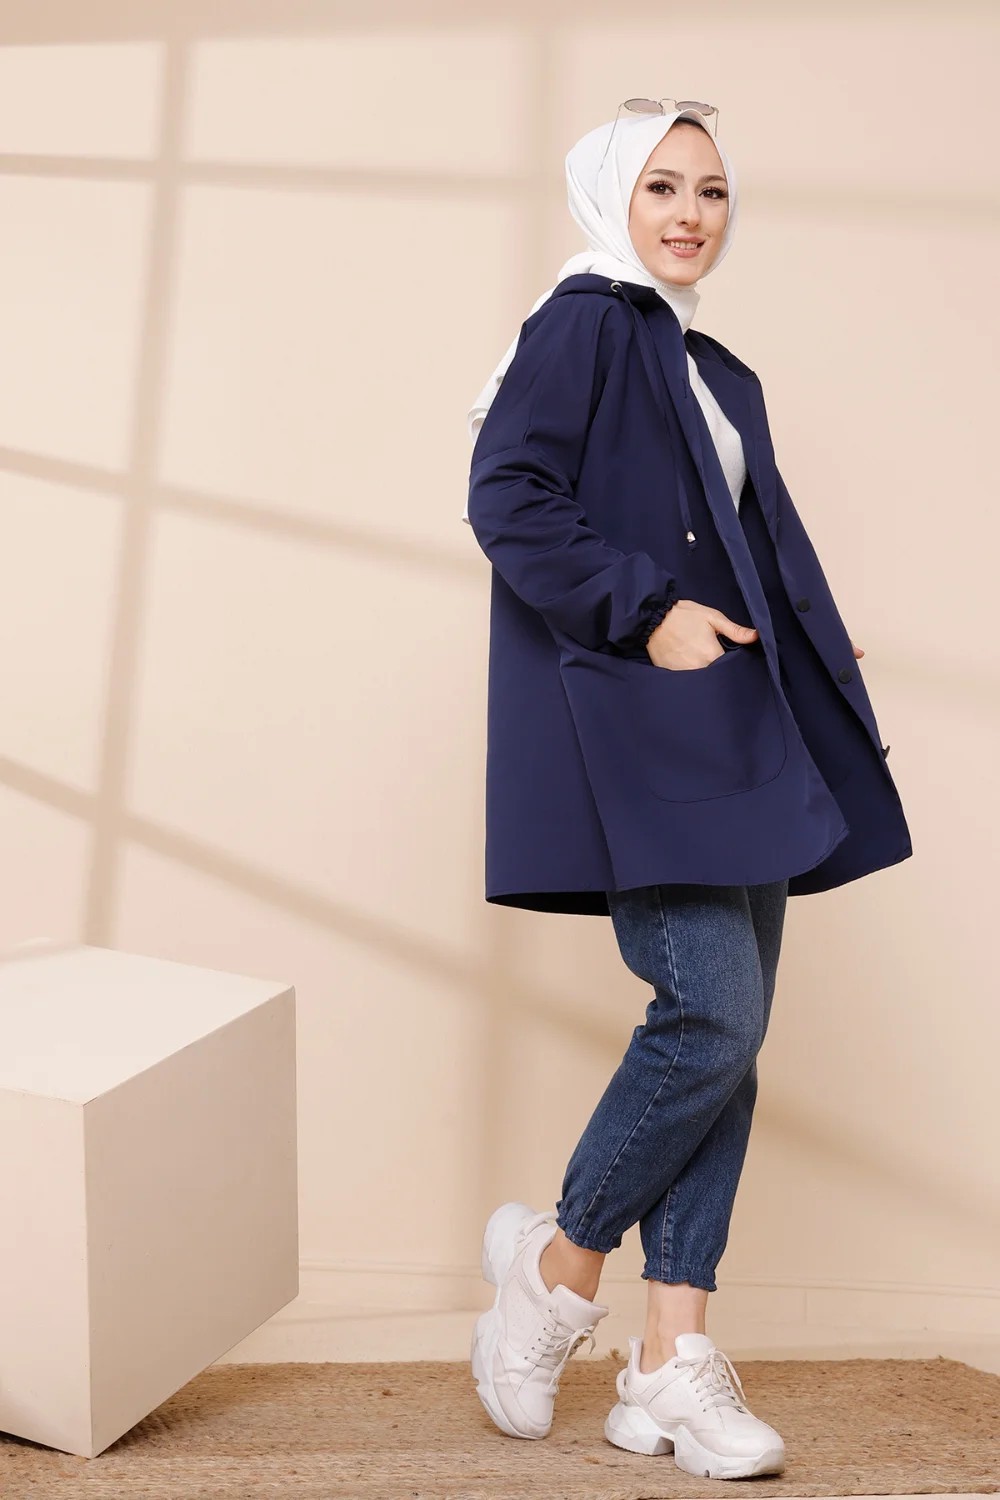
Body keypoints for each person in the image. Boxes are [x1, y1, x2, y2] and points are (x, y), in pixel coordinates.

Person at [464, 102, 913, 1480]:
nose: (690, 214)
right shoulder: (586, 324)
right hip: (640, 728)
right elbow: (508, 494)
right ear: (611, 194)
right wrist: (644, 611)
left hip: (733, 721)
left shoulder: (707, 361)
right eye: (662, 185)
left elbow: (746, 546)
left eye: (712, 191)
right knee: (711, 1014)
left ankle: (670, 1360)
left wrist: (815, 657)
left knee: (735, 1036)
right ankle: (555, 1266)